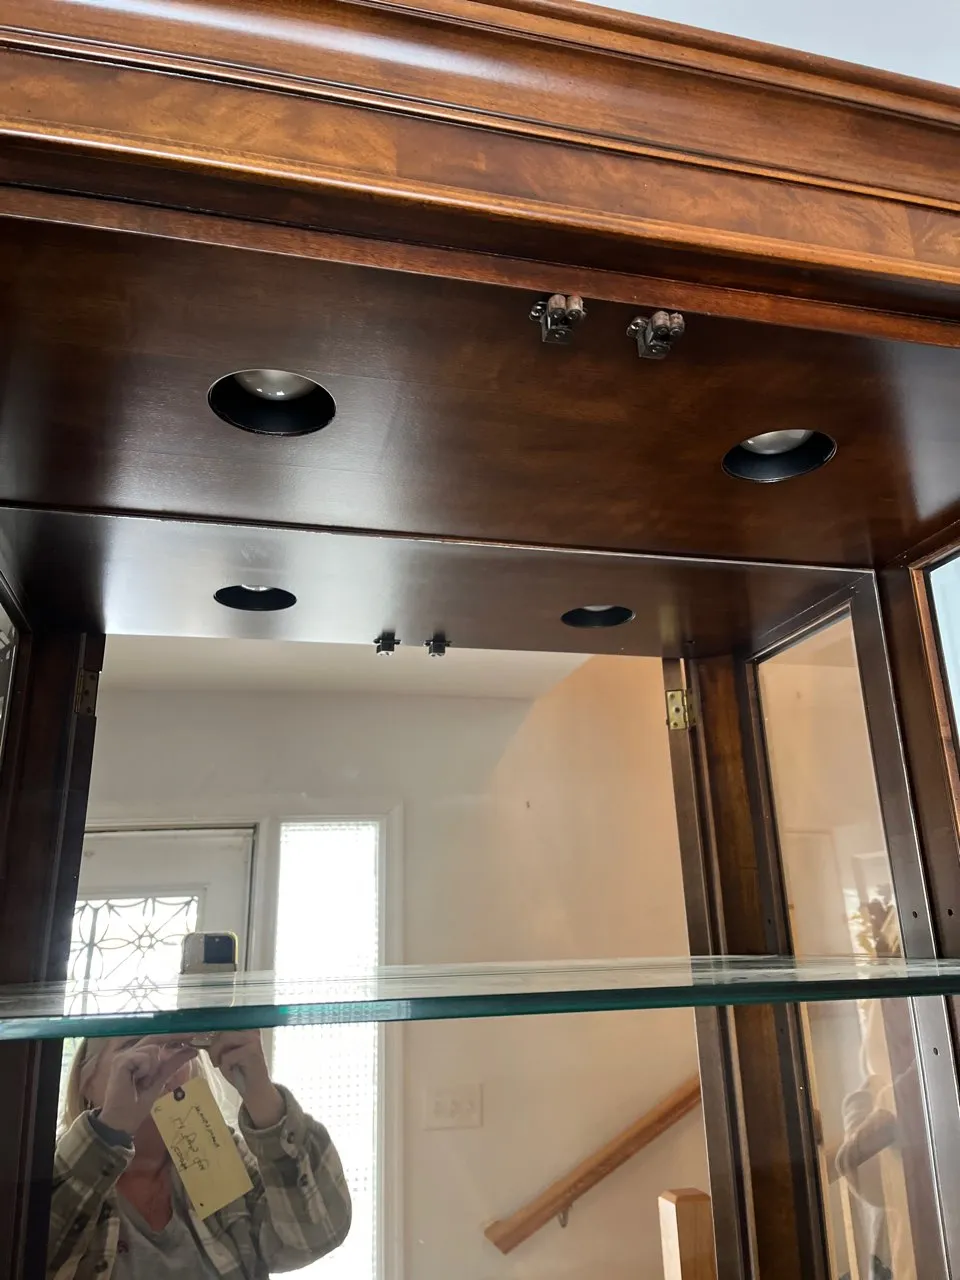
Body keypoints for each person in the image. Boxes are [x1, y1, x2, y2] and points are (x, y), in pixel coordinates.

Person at [49, 1030, 352, 1279]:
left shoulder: (218, 1156)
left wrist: (262, 1096)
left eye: (173, 1046)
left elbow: (316, 1234)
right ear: (86, 1081)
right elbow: (32, 1257)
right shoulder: (56, 1170)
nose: (159, 1062)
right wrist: (109, 1131)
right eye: (133, 1046)